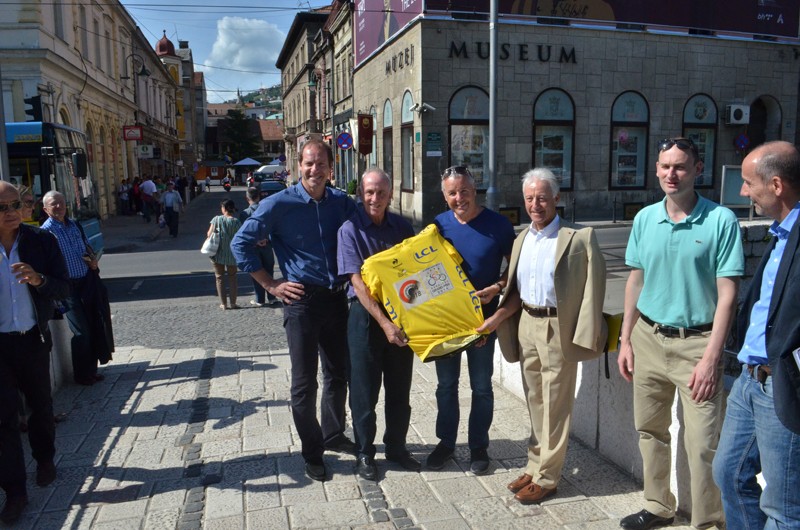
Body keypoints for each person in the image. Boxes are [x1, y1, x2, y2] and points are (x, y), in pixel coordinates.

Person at [617, 137, 744, 530]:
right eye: (665, 166)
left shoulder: (721, 220)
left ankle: (707, 522)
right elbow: (635, 281)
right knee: (650, 431)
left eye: (680, 167)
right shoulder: (644, 219)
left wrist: (711, 359)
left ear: (697, 170)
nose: (671, 174)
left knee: (703, 445)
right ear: (656, 169)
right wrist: (625, 339)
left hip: (697, 347)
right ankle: (658, 505)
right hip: (649, 340)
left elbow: (728, 296)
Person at [478, 168, 607, 504]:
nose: (536, 204)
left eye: (542, 198)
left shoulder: (578, 238)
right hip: (527, 325)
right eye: (530, 198)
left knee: (555, 406)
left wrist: (586, 333)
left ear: (556, 199)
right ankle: (535, 465)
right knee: (535, 402)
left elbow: (594, 290)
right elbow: (515, 286)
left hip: (557, 328)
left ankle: (548, 477)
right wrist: (496, 301)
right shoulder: (523, 238)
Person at [231, 139, 357, 482]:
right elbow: (239, 242)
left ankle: (333, 434)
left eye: (320, 164)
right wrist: (270, 285)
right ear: (298, 167)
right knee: (304, 384)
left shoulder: (342, 203)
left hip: (336, 299)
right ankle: (312, 452)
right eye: (308, 164)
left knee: (338, 374)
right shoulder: (278, 204)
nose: (314, 170)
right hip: (301, 302)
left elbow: (370, 229)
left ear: (331, 168)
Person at [712, 140, 800, 528]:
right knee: (728, 474)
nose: (743, 191)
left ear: (777, 184)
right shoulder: (781, 231)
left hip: (782, 386)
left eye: (749, 183)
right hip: (749, 382)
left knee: (782, 507)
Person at [426, 165, 515, 474]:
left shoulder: (499, 225)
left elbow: (513, 269)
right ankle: (446, 443)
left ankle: (479, 446)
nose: (459, 198)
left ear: (474, 190)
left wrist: (497, 287)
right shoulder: (437, 226)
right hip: (447, 323)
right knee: (446, 385)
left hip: (484, 322)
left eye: (464, 191)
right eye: (452, 192)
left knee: (481, 387)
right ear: (444, 195)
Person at [337, 168, 418, 480]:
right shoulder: (350, 229)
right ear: (361, 194)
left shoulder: (403, 226)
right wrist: (385, 323)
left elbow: (415, 274)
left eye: (381, 193)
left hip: (402, 314)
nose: (375, 198)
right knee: (364, 389)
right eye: (369, 192)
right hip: (365, 317)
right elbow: (357, 282)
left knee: (400, 387)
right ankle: (365, 453)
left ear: (390, 195)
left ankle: (396, 447)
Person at [0, 181, 70, 524]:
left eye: (17, 204)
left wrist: (40, 280)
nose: (12, 212)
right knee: (3, 419)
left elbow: (64, 284)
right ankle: (14, 492)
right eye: (3, 208)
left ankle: (45, 459)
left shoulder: (41, 241)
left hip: (32, 339)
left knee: (41, 405)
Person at [41, 191, 111, 386]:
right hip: (67, 288)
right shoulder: (46, 232)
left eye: (62, 203)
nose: (59, 206)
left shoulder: (74, 225)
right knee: (81, 331)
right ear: (46, 209)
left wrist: (93, 260)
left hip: (86, 282)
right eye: (54, 204)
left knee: (94, 323)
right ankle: (80, 374)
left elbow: (87, 247)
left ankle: (91, 370)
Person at [238, 187, 278, 307]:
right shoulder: (266, 210)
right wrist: (266, 239)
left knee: (256, 271)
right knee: (269, 271)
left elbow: (243, 233)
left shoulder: (245, 213)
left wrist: (256, 241)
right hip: (267, 245)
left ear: (247, 198)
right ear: (259, 197)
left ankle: (259, 299)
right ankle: (272, 297)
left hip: (253, 247)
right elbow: (273, 228)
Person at [207, 199, 242, 310]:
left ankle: (223, 304)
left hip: (217, 253)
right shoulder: (236, 222)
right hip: (232, 254)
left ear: (224, 209)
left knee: (219, 278)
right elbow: (240, 236)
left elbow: (209, 234)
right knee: (232, 278)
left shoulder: (216, 219)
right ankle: (233, 303)